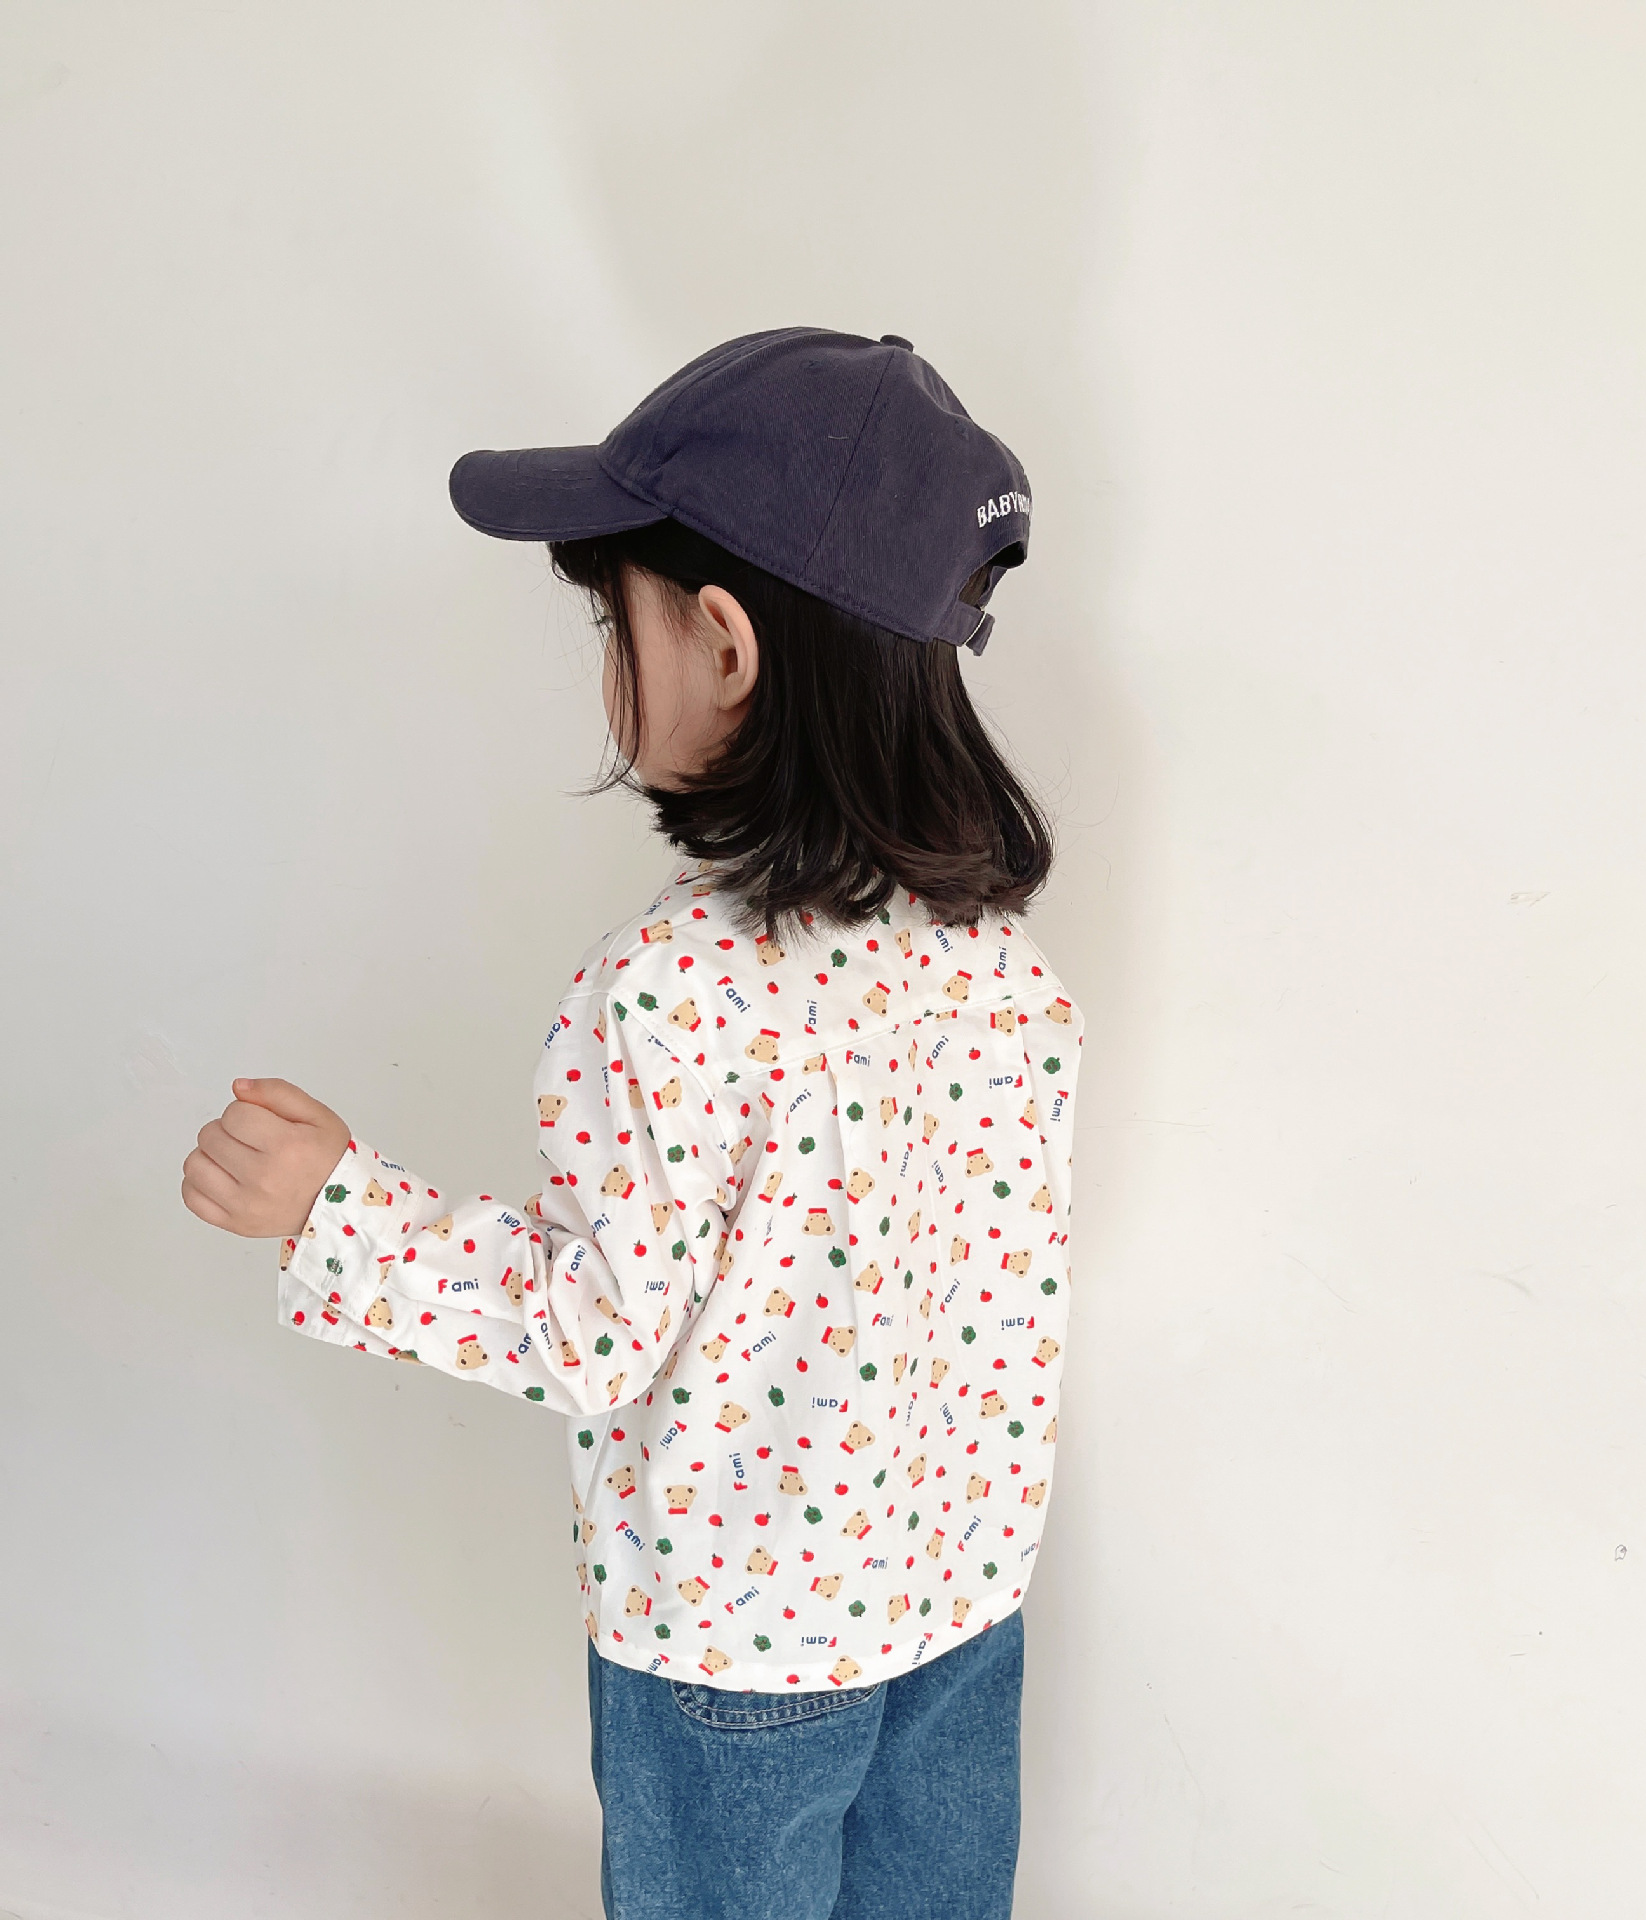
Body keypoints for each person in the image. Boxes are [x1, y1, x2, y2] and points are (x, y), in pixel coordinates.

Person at [180, 327, 1085, 1920]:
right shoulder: (1003, 972)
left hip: (735, 1648)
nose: (610, 662)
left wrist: (340, 1212)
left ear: (724, 647)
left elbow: (595, 1330)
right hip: (960, 1608)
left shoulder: (673, 992)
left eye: (619, 620)